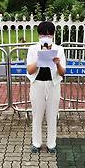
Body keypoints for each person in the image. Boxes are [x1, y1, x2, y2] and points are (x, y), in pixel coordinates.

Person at [26, 21, 66, 154]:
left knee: (52, 115)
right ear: (39, 35)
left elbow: (62, 72)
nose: (46, 37)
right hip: (37, 84)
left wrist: (58, 63)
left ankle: (51, 144)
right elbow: (30, 70)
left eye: (49, 35)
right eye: (43, 34)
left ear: (53, 35)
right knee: (37, 114)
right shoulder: (33, 49)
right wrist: (39, 60)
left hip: (53, 85)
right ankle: (36, 143)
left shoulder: (59, 49)